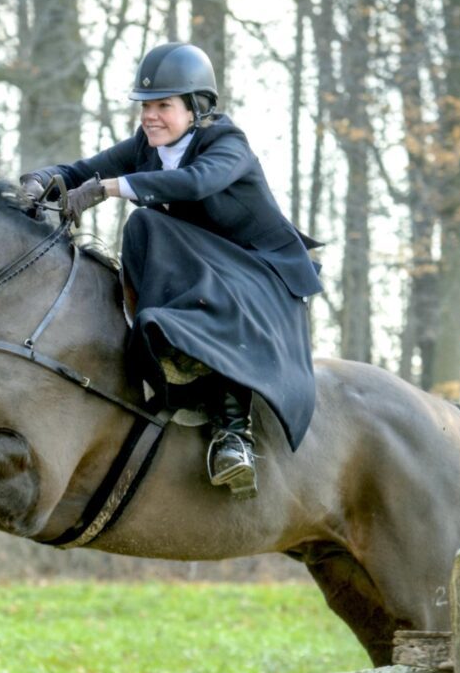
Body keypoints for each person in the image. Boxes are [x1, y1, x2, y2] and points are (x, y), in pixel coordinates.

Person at [21, 42, 322, 500]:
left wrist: (109, 189)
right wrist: (39, 180)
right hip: (209, 270)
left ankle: (233, 434)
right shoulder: (148, 146)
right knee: (150, 227)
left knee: (147, 223)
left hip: (261, 274)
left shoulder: (227, 143)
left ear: (197, 107)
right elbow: (83, 169)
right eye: (146, 106)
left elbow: (195, 182)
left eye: (164, 105)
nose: (150, 116)